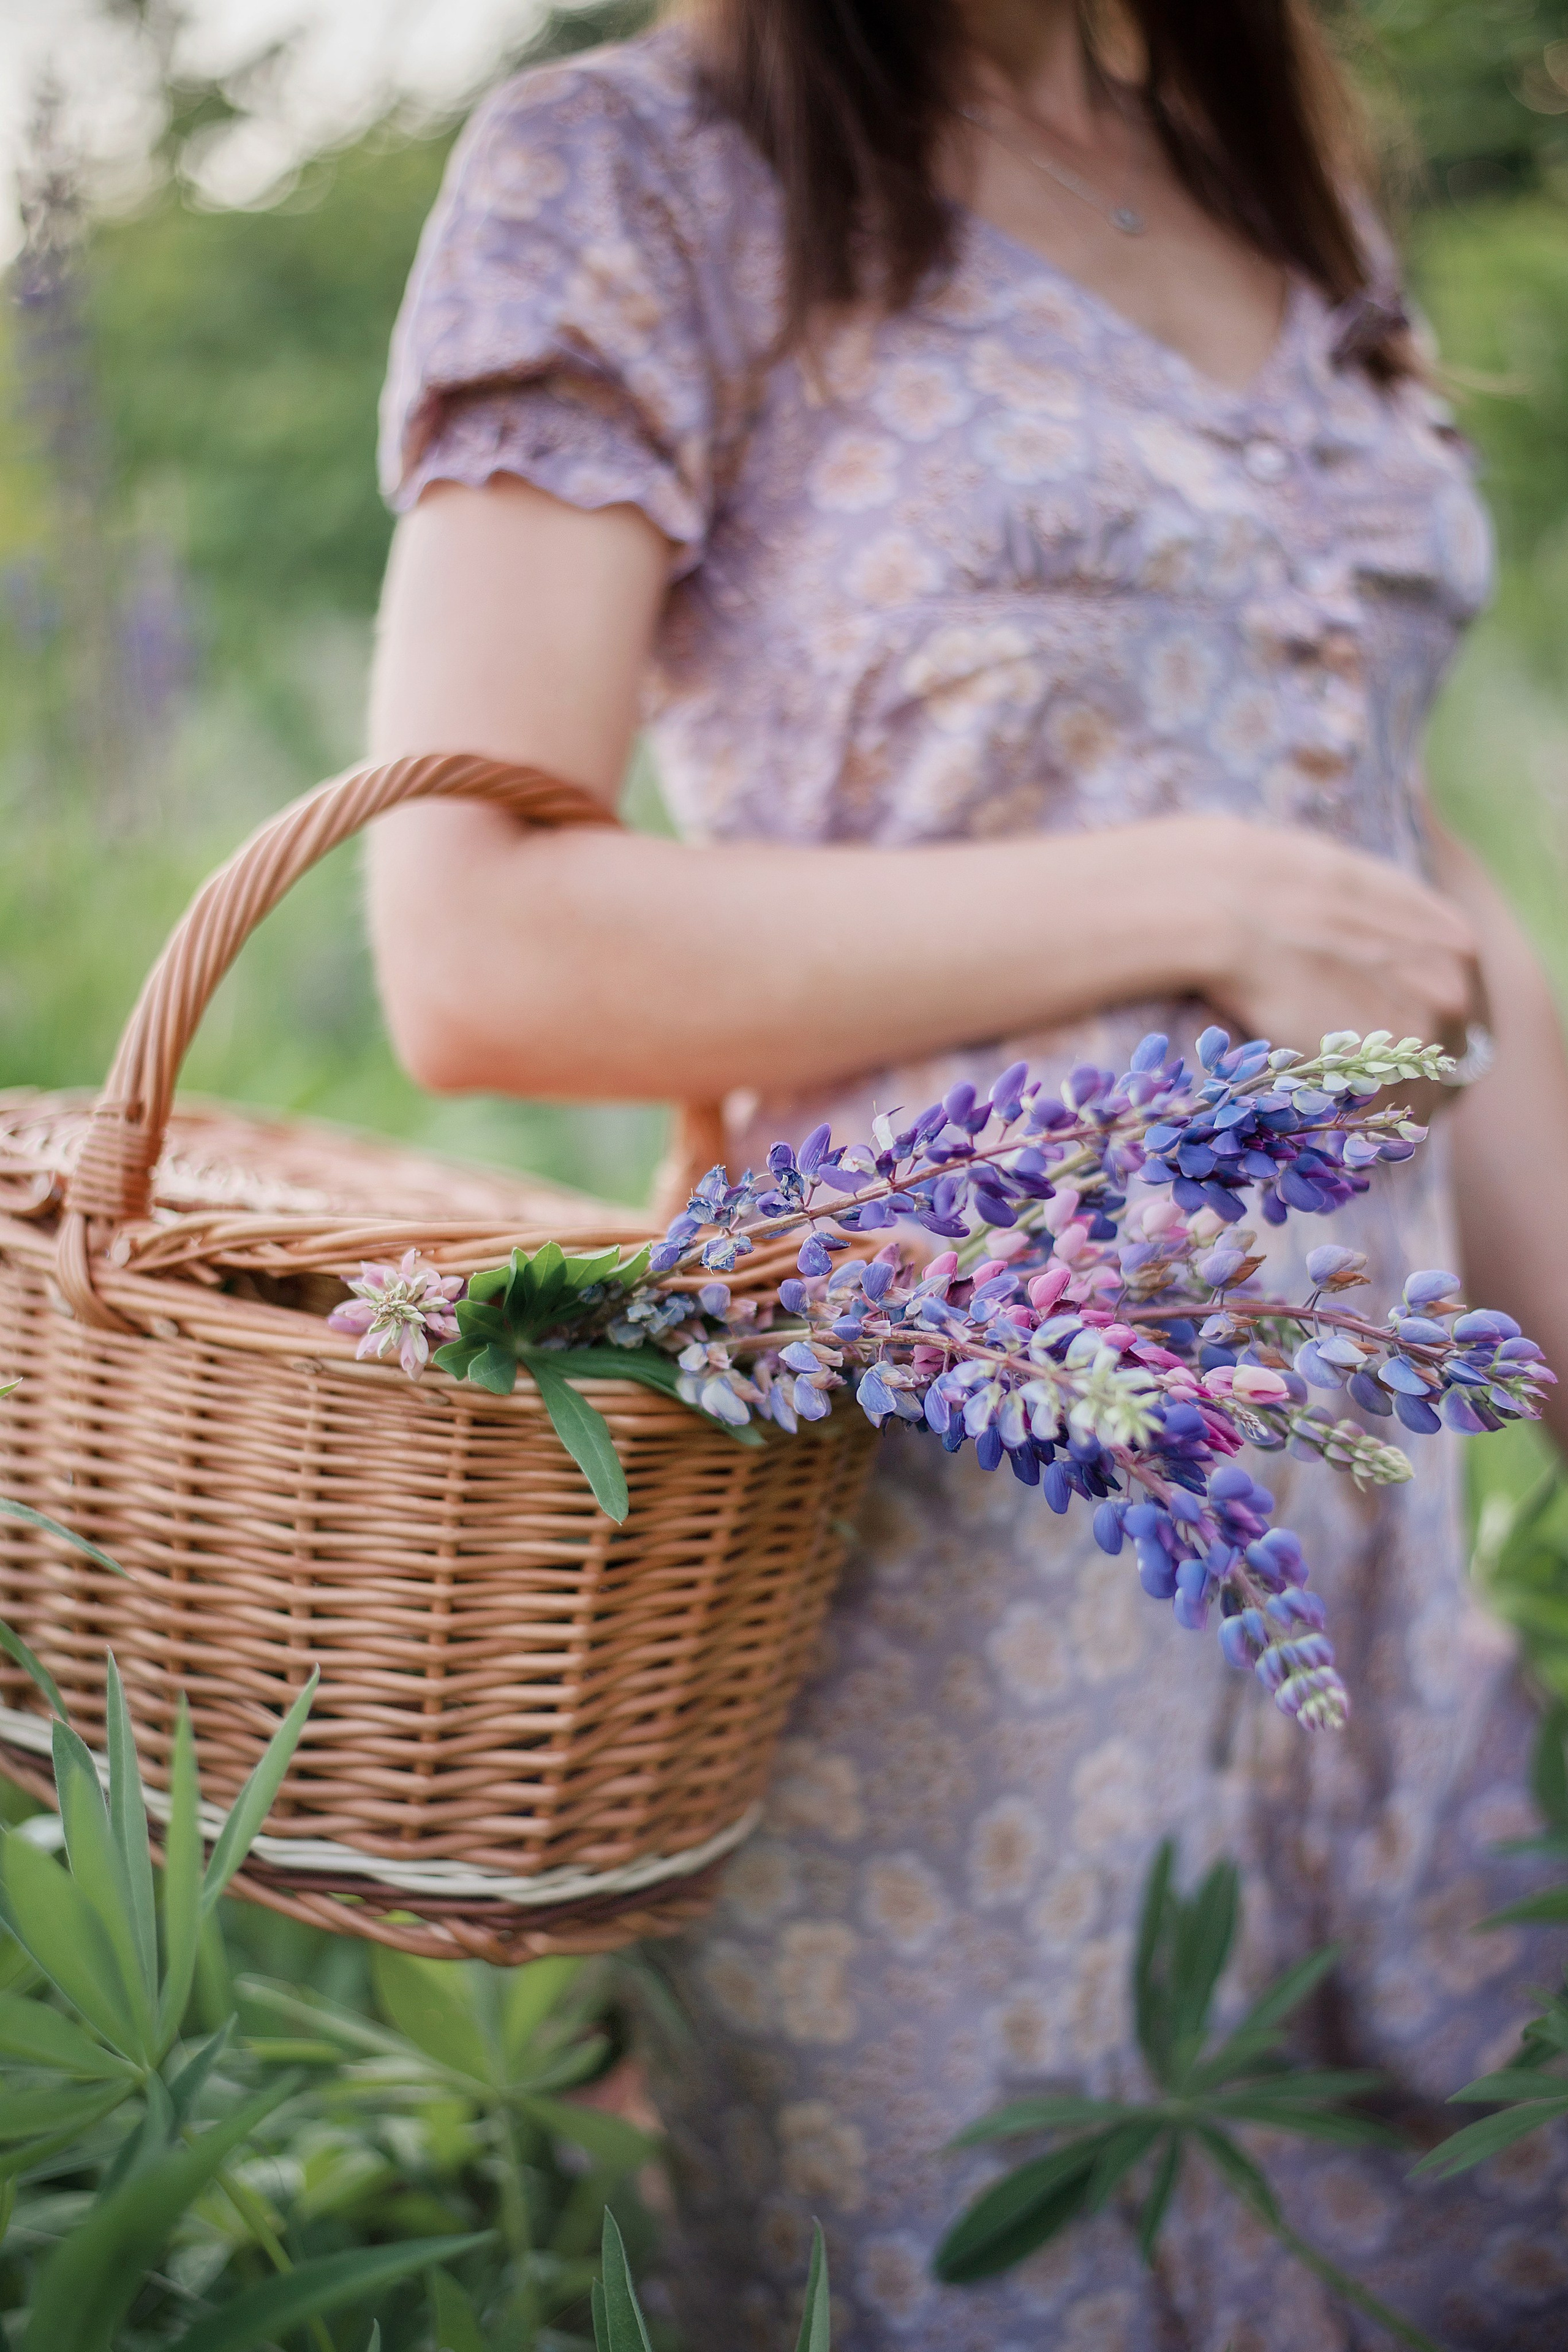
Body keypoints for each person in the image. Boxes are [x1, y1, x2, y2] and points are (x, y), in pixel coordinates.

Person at [368, 2, 1568, 2341]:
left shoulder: (1263, 172)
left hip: (1379, 1596)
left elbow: (1399, 875)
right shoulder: (639, 165)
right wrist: (1188, 899)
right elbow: (476, 941)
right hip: (958, 1591)